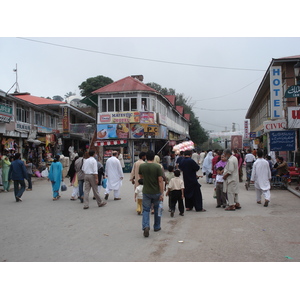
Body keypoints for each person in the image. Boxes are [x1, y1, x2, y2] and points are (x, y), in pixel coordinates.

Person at [139, 150, 164, 238]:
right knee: (157, 209)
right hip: (156, 191)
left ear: (146, 157)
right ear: (154, 157)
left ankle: (146, 226)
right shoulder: (157, 167)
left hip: (146, 191)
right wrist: (162, 193)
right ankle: (157, 226)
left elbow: (141, 177)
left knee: (146, 210)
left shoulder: (142, 166)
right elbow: (160, 180)